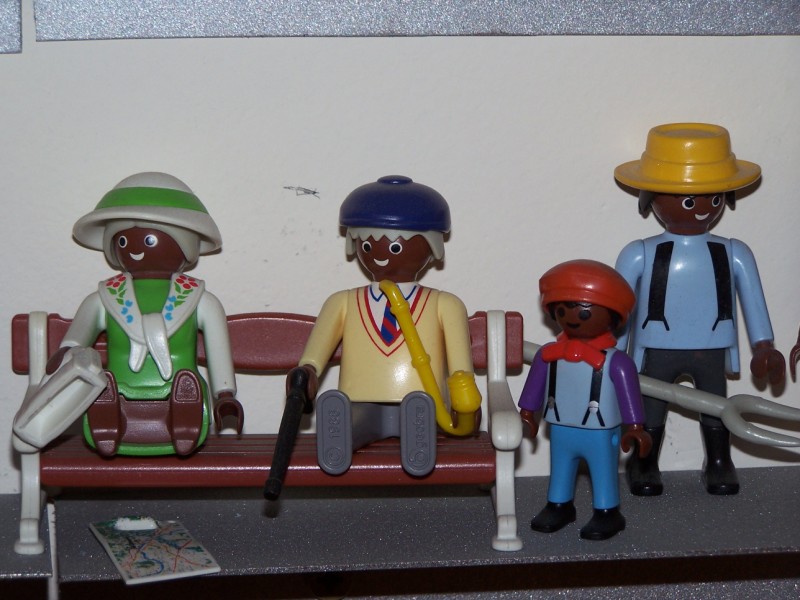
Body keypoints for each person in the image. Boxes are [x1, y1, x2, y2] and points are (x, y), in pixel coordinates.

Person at [614, 123, 785, 496]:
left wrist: (764, 346)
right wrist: (610, 352)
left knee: (716, 407)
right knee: (651, 406)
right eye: (689, 201)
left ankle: (719, 461)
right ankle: (644, 462)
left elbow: (753, 301)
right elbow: (618, 309)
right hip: (657, 347)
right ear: (651, 199)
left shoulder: (734, 252)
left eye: (713, 199)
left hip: (711, 347)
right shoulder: (638, 253)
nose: (703, 209)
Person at [290, 175, 480, 477]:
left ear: (431, 249)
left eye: (394, 248)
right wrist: (308, 371)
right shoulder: (343, 302)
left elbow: (460, 363)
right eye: (367, 245)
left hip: (424, 398)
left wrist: (464, 397)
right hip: (360, 397)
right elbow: (316, 352)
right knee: (353, 420)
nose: (379, 255)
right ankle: (340, 436)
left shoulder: (445, 304)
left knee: (419, 411)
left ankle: (418, 438)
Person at [47, 172, 242, 457]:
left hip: (179, 385)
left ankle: (184, 421)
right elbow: (77, 337)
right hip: (119, 384)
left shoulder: (202, 300)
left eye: (148, 240)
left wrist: (225, 394)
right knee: (104, 385)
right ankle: (107, 419)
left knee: (186, 387)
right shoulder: (104, 298)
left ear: (185, 244)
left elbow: (218, 352)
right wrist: (67, 352)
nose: (135, 249)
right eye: (123, 242)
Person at [519, 259, 651, 540]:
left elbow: (629, 394)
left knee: (603, 471)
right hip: (560, 425)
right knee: (560, 467)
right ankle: (559, 504)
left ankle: (607, 511)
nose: (572, 317)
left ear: (612, 317)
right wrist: (527, 413)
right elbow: (534, 386)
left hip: (599, 429)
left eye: (584, 311)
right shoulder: (548, 355)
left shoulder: (616, 361)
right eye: (562, 310)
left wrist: (635, 427)